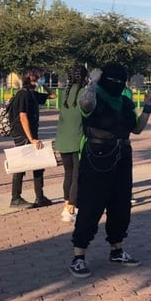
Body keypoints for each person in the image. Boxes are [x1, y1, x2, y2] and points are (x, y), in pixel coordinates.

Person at [69, 63, 151, 278]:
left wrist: (147, 108)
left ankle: (116, 249)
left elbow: (136, 129)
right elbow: (86, 104)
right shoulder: (93, 96)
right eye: (114, 80)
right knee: (91, 204)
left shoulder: (125, 101)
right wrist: (93, 82)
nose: (118, 84)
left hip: (122, 155)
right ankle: (78, 256)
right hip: (97, 155)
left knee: (120, 204)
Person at [9, 66, 56, 209]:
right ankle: (15, 198)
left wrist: (45, 85)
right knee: (21, 165)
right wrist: (31, 138)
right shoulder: (23, 94)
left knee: (38, 164)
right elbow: (22, 116)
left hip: (31, 134)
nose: (41, 77)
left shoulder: (32, 93)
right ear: (31, 77)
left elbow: (53, 96)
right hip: (23, 134)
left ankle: (40, 196)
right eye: (39, 76)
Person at [55, 65, 89, 222]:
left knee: (68, 173)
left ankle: (66, 204)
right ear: (84, 77)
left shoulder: (63, 93)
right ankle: (71, 208)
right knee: (77, 175)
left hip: (62, 140)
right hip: (77, 139)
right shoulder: (84, 93)